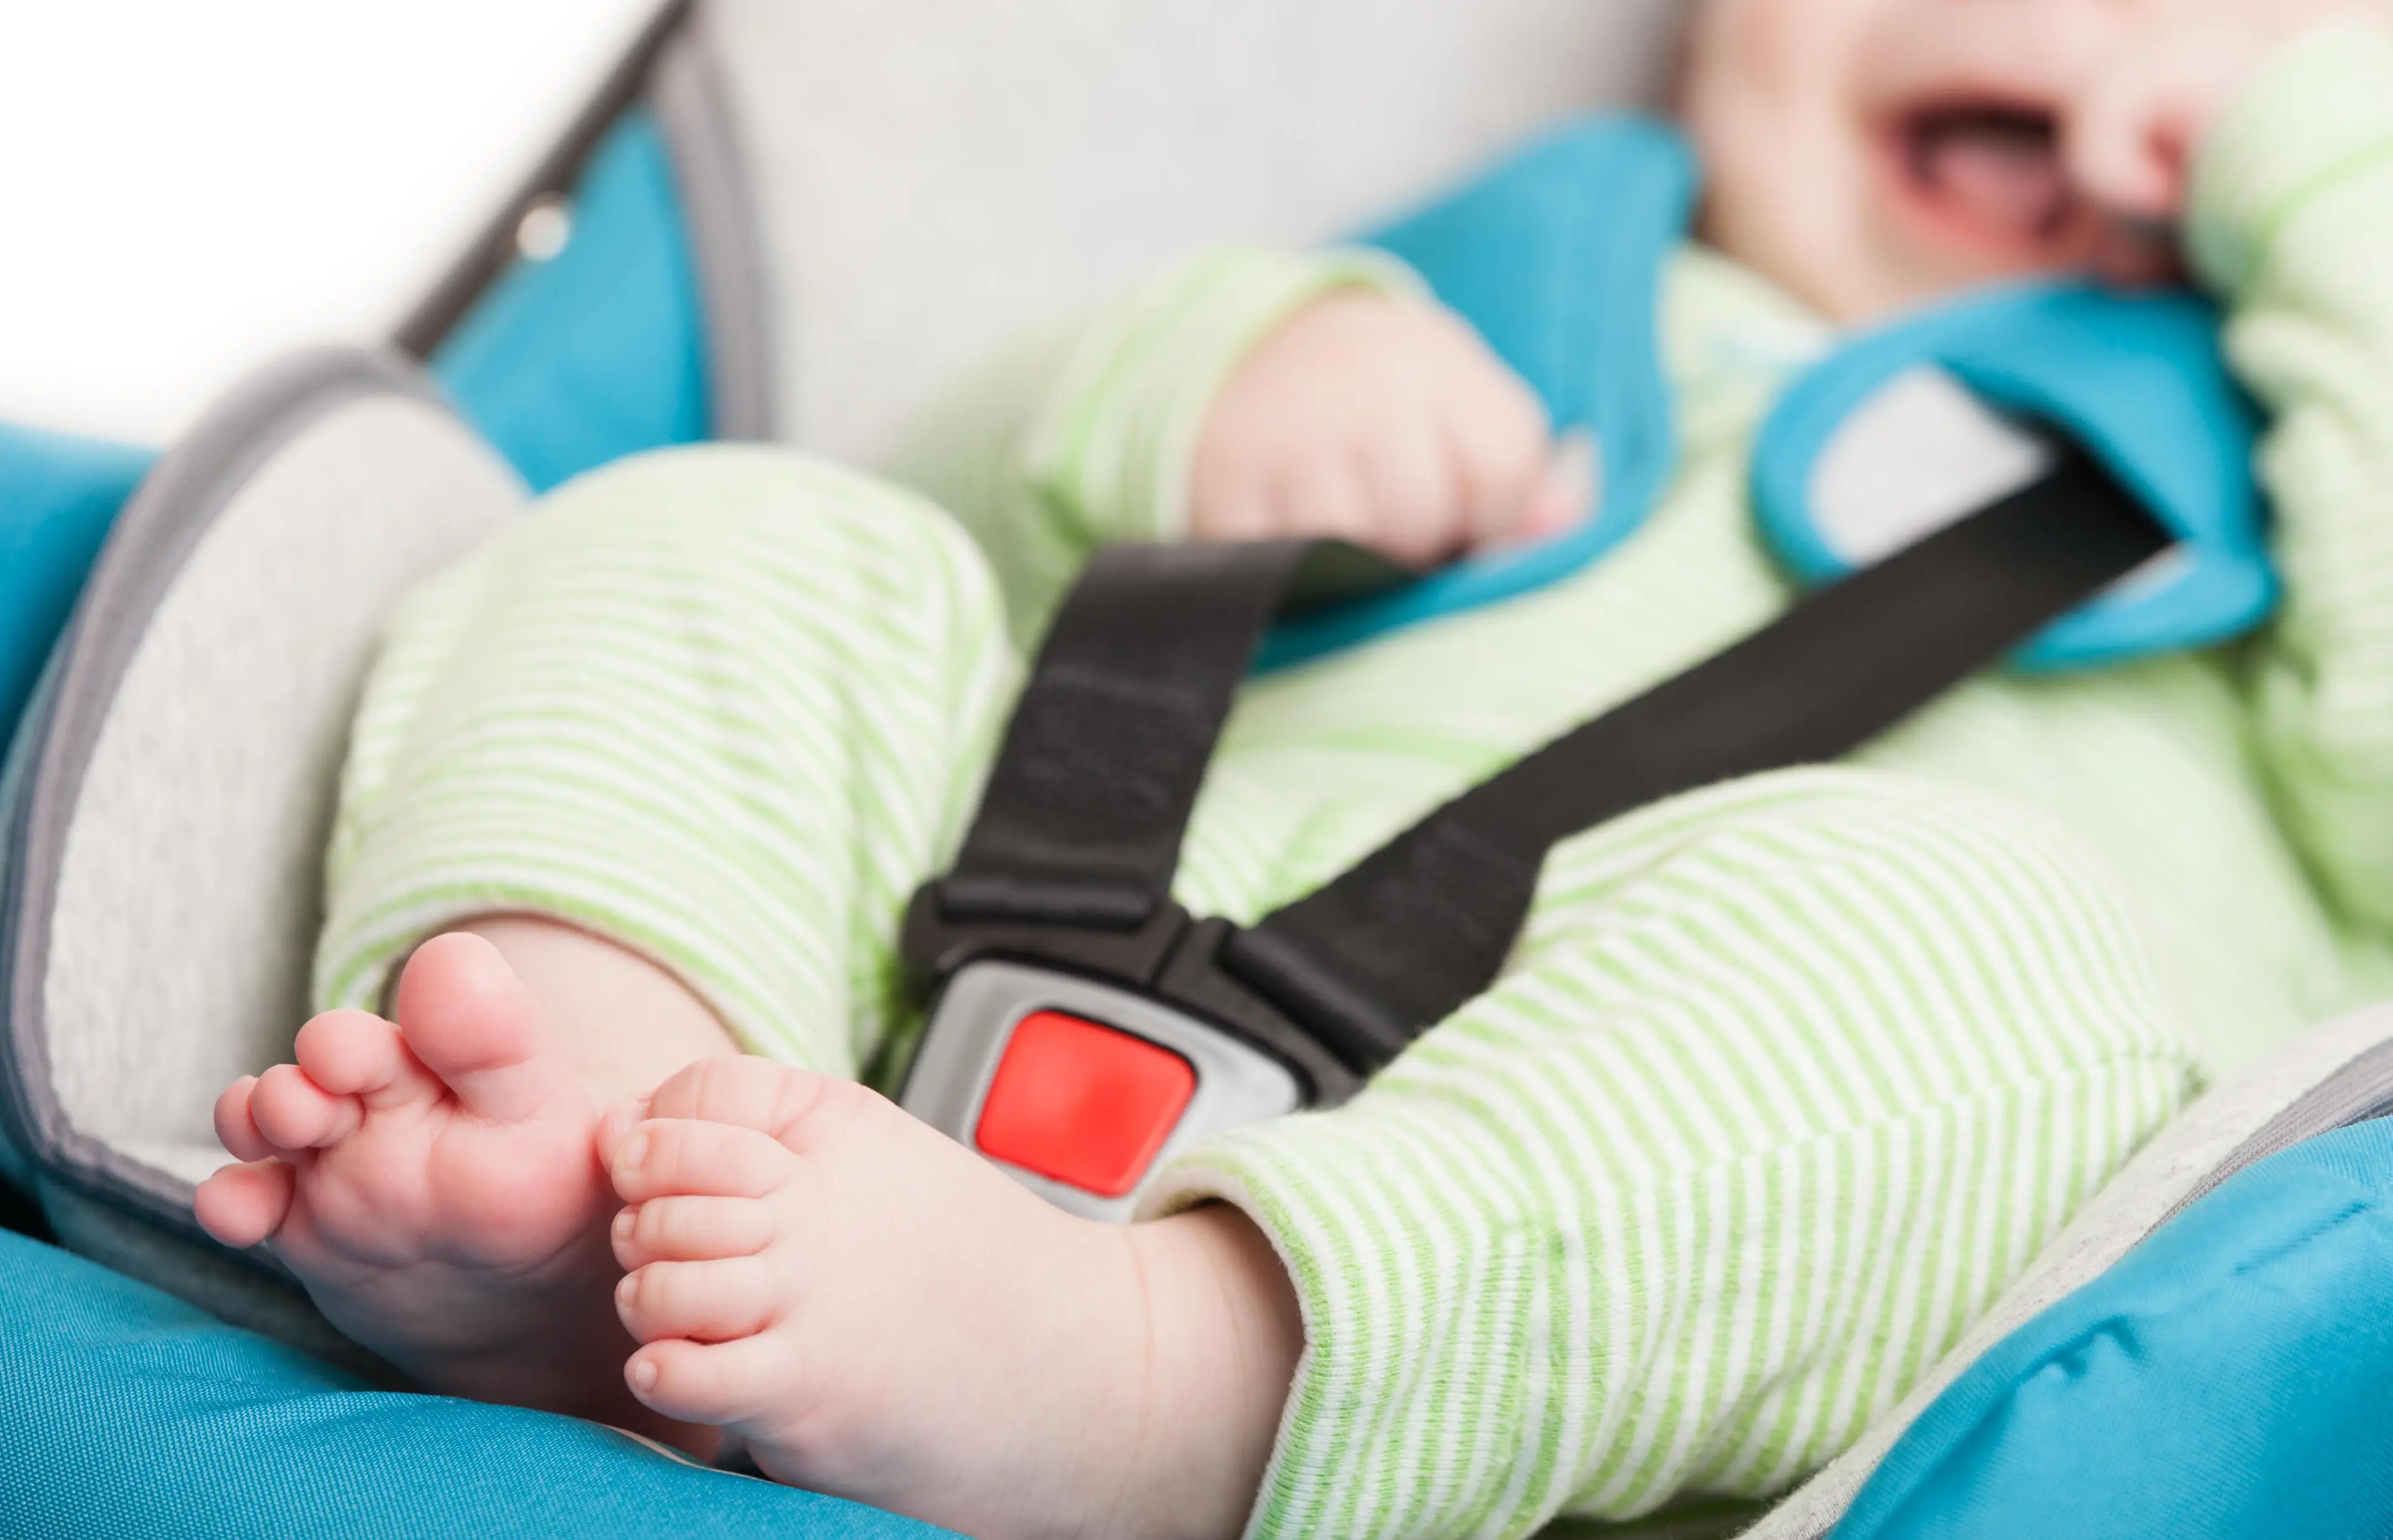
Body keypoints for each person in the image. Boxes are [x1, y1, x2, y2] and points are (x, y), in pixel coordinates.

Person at [191, 2, 2393, 1536]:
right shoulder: (1538, 271)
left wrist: (2324, 161)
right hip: (947, 961)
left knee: (1962, 948)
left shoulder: (2307, 509)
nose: (2135, 48)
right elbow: (970, 499)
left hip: (1612, 1223)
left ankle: (1173, 1378)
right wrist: (1208, 382)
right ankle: (606, 1118)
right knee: (741, 525)